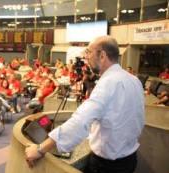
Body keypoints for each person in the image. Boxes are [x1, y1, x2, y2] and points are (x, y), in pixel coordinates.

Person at [25, 36, 145, 173]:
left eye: (89, 52)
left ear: (102, 55)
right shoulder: (134, 80)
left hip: (106, 167)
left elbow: (80, 121)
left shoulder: (107, 84)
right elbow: (135, 120)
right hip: (129, 160)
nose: (86, 57)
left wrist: (40, 149)